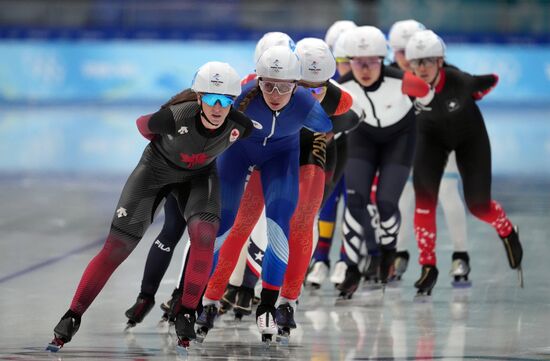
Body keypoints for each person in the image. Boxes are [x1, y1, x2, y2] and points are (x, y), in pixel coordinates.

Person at [46, 61, 254, 352]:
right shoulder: (172, 117)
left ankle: (186, 312)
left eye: (225, 101)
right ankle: (72, 316)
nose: (218, 108)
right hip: (155, 173)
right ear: (198, 99)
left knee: (205, 238)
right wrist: (166, 153)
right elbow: (143, 126)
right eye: (211, 99)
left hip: (198, 178)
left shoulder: (239, 126)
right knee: (117, 246)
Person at [203, 37, 360, 340]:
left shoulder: (340, 99)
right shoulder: (261, 87)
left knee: (300, 225)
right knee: (239, 224)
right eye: (303, 84)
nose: (311, 93)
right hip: (271, 157)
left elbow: (348, 118)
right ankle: (211, 296)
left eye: (319, 88)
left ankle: (287, 301)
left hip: (309, 158)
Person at [405, 30, 523, 296]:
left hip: (470, 138)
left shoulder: (460, 81)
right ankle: (428, 266)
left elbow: (492, 80)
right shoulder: (407, 85)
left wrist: (476, 94)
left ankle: (505, 229)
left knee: (479, 206)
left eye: (428, 61)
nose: (422, 68)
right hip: (431, 138)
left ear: (440, 61)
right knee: (423, 200)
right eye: (416, 62)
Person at [334, 25, 432, 299]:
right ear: (350, 62)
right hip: (362, 137)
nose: (364, 70)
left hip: (399, 140)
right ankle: (352, 268)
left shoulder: (402, 80)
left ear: (382, 61)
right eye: (358, 63)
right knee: (355, 200)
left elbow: (429, 95)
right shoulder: (343, 87)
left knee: (387, 203)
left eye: (371, 63)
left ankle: (389, 250)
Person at [388, 19, 471, 286]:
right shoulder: (389, 74)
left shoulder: (447, 74)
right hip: (408, 144)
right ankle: (398, 254)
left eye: (408, 52)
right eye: (399, 52)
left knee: (447, 191)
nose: (404, 59)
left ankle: (461, 254)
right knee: (404, 193)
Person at [307, 22, 358, 289]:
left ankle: (345, 259)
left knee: (354, 200)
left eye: (351, 60)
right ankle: (320, 259)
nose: (346, 66)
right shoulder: (320, 77)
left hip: (350, 144)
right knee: (324, 202)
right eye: (339, 60)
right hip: (328, 144)